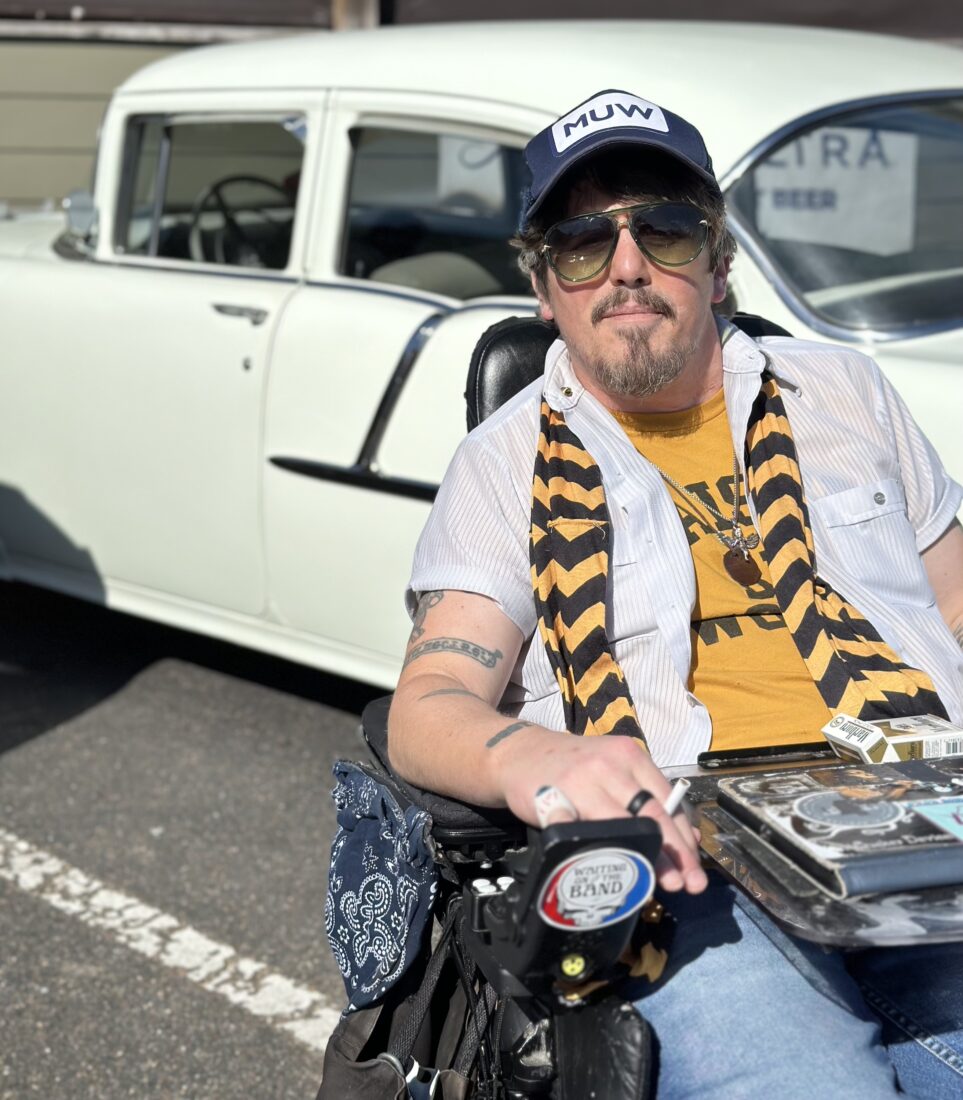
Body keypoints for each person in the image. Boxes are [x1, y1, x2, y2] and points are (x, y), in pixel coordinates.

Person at [387, 89, 963, 1097]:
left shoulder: (849, 393)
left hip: (916, 829)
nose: (626, 265)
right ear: (541, 285)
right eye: (579, 242)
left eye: (665, 227)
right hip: (686, 857)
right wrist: (542, 756)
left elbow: (954, 605)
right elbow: (428, 705)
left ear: (720, 258)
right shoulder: (502, 462)